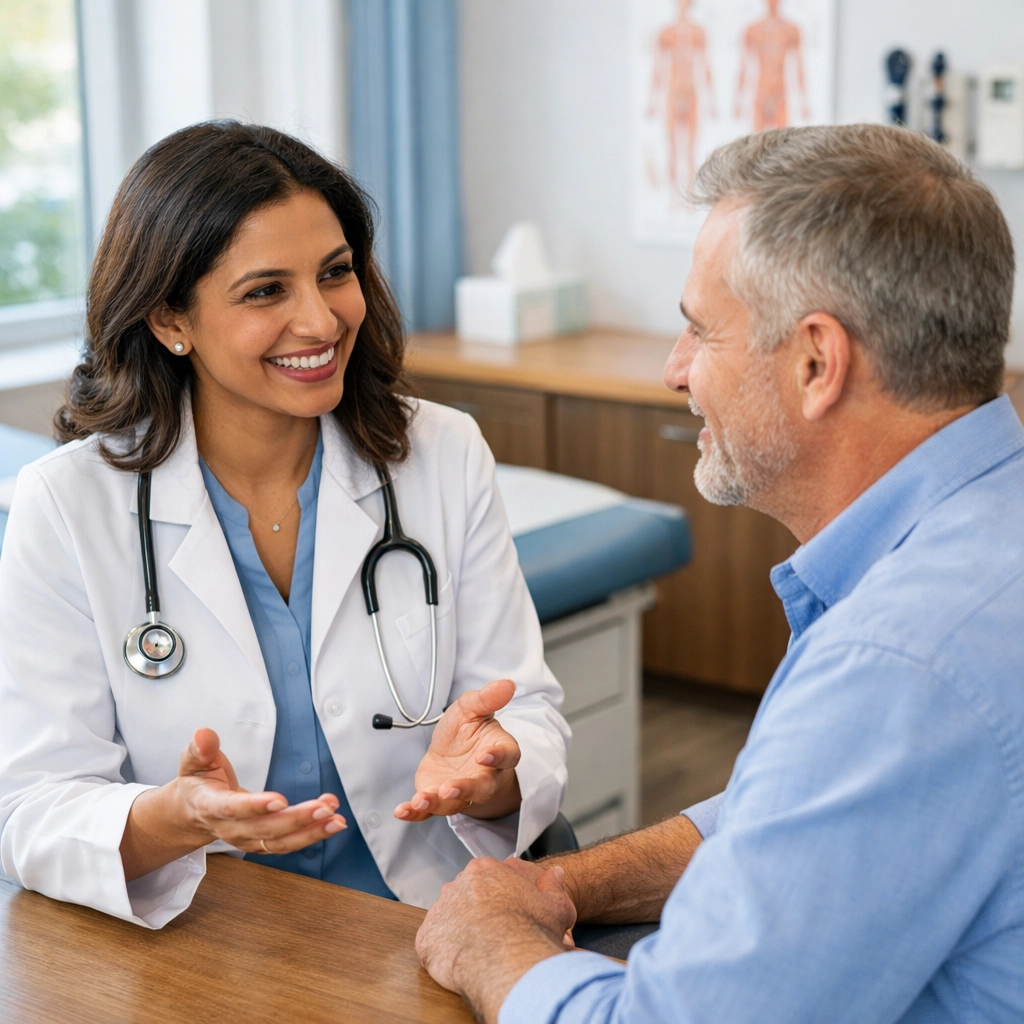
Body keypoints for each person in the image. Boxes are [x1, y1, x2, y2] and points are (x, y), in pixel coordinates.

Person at [415, 124, 1024, 1023]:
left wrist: (489, 940)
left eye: (700, 331)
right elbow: (789, 818)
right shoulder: (981, 537)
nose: (674, 370)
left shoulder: (900, 660)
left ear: (817, 361)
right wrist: (559, 888)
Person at [0, 123, 569, 929]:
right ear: (171, 320)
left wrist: (493, 772)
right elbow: (31, 808)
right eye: (266, 291)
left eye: (336, 273)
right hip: (198, 939)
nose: (322, 320)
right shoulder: (67, 504)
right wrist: (176, 819)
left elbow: (526, 711)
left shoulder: (441, 454)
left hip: (418, 917)